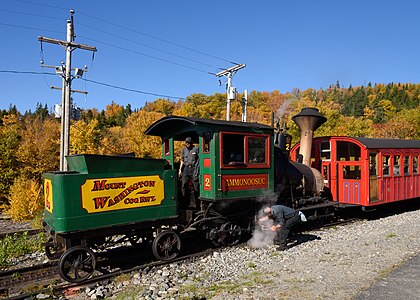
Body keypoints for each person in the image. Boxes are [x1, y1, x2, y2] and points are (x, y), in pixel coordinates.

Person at [179, 137, 199, 208]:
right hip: (186, 168)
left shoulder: (196, 149)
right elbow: (182, 159)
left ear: (191, 143)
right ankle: (184, 203)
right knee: (183, 185)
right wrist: (180, 169)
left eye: (188, 143)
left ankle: (197, 204)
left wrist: (198, 169)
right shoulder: (184, 149)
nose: (187, 144)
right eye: (186, 143)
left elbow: (199, 159)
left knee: (195, 186)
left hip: (194, 168)